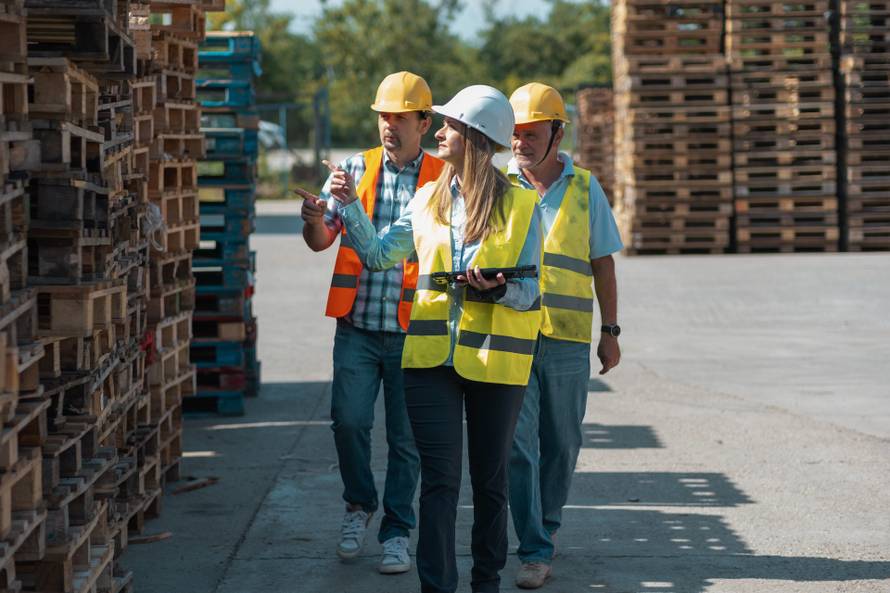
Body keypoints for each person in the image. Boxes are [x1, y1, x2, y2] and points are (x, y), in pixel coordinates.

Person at [318, 85, 542, 593]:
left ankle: (486, 581)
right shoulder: (426, 200)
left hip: (494, 364)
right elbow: (376, 255)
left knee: (489, 485)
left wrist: (502, 288)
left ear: (476, 139)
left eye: (450, 126)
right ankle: (436, 587)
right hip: (429, 359)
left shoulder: (521, 206)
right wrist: (351, 206)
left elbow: (531, 293)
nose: (439, 132)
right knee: (439, 485)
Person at [296, 71, 445, 574]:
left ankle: (397, 531)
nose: (389, 125)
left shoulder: (443, 178)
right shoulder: (354, 168)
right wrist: (314, 216)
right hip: (357, 327)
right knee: (350, 422)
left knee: (407, 441)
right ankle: (359, 505)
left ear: (424, 123)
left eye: (400, 117)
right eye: (384, 116)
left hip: (414, 330)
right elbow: (322, 241)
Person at [505, 82, 623, 589]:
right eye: (514, 134)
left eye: (531, 134)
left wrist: (611, 332)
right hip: (510, 335)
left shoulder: (584, 187)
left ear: (556, 133)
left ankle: (546, 529)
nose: (520, 143)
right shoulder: (499, 185)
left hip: (568, 340)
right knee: (517, 445)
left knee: (562, 441)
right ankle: (533, 548)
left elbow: (603, 263)